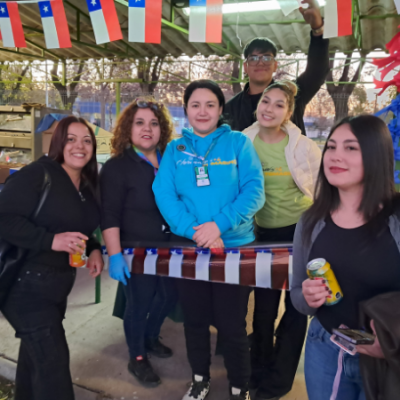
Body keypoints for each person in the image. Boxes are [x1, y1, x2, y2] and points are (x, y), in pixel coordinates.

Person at [153, 79, 265, 400]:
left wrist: (219, 225)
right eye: (195, 105)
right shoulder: (175, 150)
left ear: (220, 109)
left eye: (210, 105)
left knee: (232, 324)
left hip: (233, 248)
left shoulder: (238, 143)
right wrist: (195, 231)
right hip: (190, 250)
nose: (202, 111)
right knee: (195, 320)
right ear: (186, 110)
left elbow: (254, 191)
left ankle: (239, 386)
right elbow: (164, 194)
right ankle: (200, 379)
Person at [291, 115, 400, 400]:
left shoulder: (396, 218)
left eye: (351, 147)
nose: (335, 156)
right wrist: (308, 297)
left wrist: (390, 345)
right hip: (326, 347)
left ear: (376, 154)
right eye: (331, 147)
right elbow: (297, 295)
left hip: (390, 356)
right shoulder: (310, 221)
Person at [0, 116, 103, 400]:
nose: (79, 146)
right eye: (71, 139)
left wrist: (94, 247)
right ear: (58, 143)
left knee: (35, 361)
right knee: (53, 367)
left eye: (86, 140)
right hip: (25, 287)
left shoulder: (85, 184)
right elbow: (4, 218)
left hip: (56, 289)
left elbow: (80, 227)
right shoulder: (38, 174)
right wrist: (51, 241)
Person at [243, 80, 321, 400]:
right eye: (266, 101)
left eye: (279, 104)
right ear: (258, 104)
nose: (270, 108)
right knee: (263, 308)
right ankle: (259, 367)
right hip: (262, 235)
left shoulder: (304, 147)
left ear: (288, 113)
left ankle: (279, 380)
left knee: (296, 307)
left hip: (300, 233)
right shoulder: (243, 142)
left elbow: (321, 189)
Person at [100, 98, 178, 388]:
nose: (147, 128)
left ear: (162, 129)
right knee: (139, 303)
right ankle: (137, 357)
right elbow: (109, 214)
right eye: (140, 122)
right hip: (137, 250)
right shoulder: (117, 167)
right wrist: (115, 255)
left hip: (172, 247)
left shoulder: (171, 160)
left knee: (169, 297)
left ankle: (149, 337)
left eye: (154, 123)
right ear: (128, 128)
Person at [225, 0, 329, 136]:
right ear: (245, 67)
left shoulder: (293, 95)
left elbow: (317, 71)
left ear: (275, 66)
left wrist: (318, 30)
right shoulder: (230, 109)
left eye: (267, 58)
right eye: (254, 58)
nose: (260, 63)